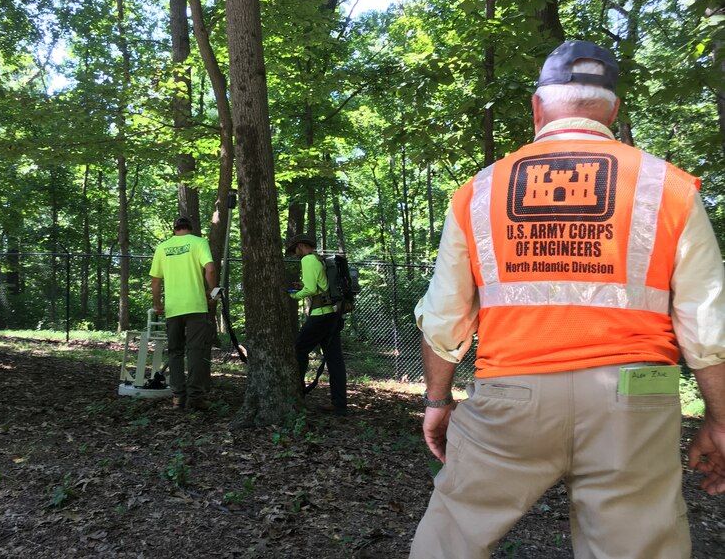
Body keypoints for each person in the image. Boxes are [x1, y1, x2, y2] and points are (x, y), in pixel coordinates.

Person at [410, 40, 725, 559]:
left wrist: (437, 401)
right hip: (635, 400)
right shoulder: (668, 188)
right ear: (614, 110)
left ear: (537, 107)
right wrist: (718, 416)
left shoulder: (479, 192)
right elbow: (707, 325)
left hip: (510, 398)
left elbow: (445, 316)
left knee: (449, 541)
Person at [150, 216, 218, 411]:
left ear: (174, 230)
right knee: (196, 350)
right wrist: (213, 293)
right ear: (191, 229)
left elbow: (155, 280)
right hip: (196, 305)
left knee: (175, 351)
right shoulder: (198, 242)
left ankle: (178, 397)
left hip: (173, 308)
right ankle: (196, 397)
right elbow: (211, 270)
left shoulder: (163, 247)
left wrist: (157, 303)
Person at [286, 233, 347, 415]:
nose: (296, 253)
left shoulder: (307, 260)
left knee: (299, 349)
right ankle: (340, 404)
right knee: (335, 360)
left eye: (295, 249)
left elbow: (312, 289)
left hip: (320, 315)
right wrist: (302, 286)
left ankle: (297, 393)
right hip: (333, 315)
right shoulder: (319, 259)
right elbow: (318, 285)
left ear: (301, 246)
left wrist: (293, 295)